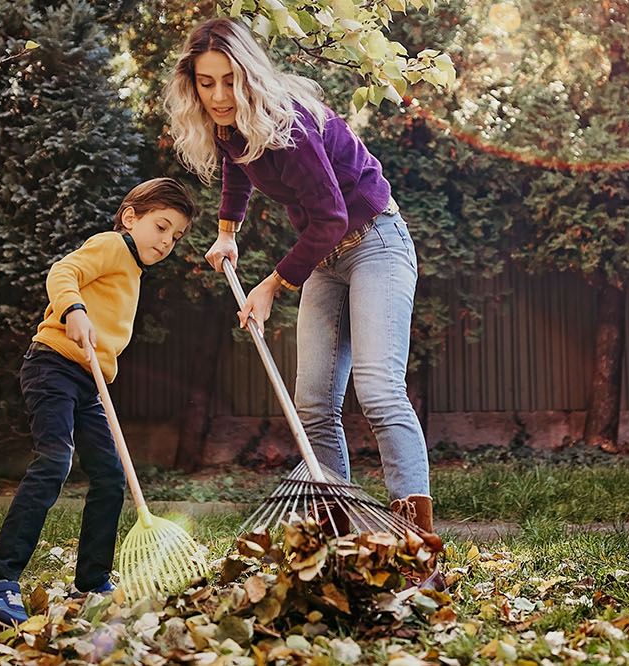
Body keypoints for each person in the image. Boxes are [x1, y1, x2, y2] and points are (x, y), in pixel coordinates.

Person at [170, 18, 436, 533]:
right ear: (192, 83)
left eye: (230, 80)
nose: (220, 95)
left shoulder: (287, 122)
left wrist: (271, 285)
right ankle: (339, 539)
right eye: (207, 83)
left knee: (379, 391)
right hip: (325, 259)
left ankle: (418, 547)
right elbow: (236, 164)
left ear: (248, 73)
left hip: (375, 241)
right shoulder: (228, 125)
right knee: (313, 404)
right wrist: (227, 231)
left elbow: (333, 218)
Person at [0, 178, 196, 627]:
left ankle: (92, 581)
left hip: (89, 381)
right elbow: (63, 272)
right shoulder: (112, 245)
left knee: (110, 476)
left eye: (176, 236)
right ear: (132, 217)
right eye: (162, 226)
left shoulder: (133, 272)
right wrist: (73, 310)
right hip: (52, 365)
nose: (167, 241)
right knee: (54, 462)